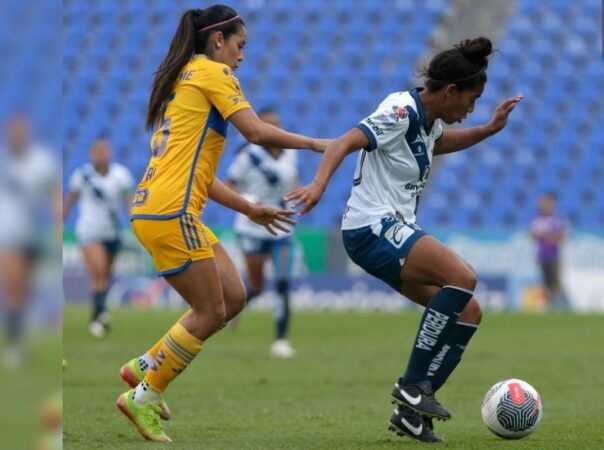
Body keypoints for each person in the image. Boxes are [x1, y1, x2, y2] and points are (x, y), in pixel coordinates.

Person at [288, 37, 522, 443]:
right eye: (471, 99)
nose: (471, 109)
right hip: (370, 227)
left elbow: (439, 144)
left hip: (389, 229)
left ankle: (411, 416)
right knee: (463, 278)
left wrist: (488, 129)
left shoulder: (431, 122)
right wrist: (318, 185)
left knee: (469, 311)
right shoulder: (400, 110)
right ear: (450, 91)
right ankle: (413, 385)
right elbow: (346, 141)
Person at [114, 5, 327, 443]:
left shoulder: (182, 80)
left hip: (163, 209)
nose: (241, 56)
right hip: (171, 212)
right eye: (239, 45)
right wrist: (316, 143)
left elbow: (204, 177)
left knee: (232, 296)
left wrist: (250, 208)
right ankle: (144, 395)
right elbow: (258, 133)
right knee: (211, 311)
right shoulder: (213, 74)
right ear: (217, 41)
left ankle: (142, 368)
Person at [225, 108, 298, 358]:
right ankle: (233, 310)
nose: (273, 129)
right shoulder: (248, 156)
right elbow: (229, 185)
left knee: (283, 283)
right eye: (268, 125)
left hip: (282, 227)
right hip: (252, 228)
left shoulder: (290, 155)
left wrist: (298, 201)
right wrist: (248, 202)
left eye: (276, 124)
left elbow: (294, 183)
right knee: (256, 286)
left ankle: (281, 339)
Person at [0, 115, 59, 368]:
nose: (16, 136)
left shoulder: (41, 162)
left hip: (32, 234)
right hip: (7, 234)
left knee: (24, 292)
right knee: (15, 290)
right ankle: (15, 347)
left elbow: (53, 193)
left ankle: (20, 341)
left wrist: (58, 222)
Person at [64, 139, 134, 337]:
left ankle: (100, 313)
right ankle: (97, 318)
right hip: (89, 230)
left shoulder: (121, 175)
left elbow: (129, 202)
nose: (101, 155)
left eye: (104, 151)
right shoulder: (81, 176)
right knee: (98, 272)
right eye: (97, 151)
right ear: (91, 154)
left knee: (106, 275)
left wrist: (135, 224)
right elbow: (69, 202)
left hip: (112, 231)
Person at [530, 192, 571, 311]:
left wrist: (550, 238)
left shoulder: (557, 219)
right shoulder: (537, 219)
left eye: (545, 203)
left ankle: (562, 306)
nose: (543, 205)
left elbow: (562, 235)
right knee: (545, 283)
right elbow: (533, 235)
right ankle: (551, 306)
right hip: (541, 256)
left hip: (554, 256)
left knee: (556, 282)